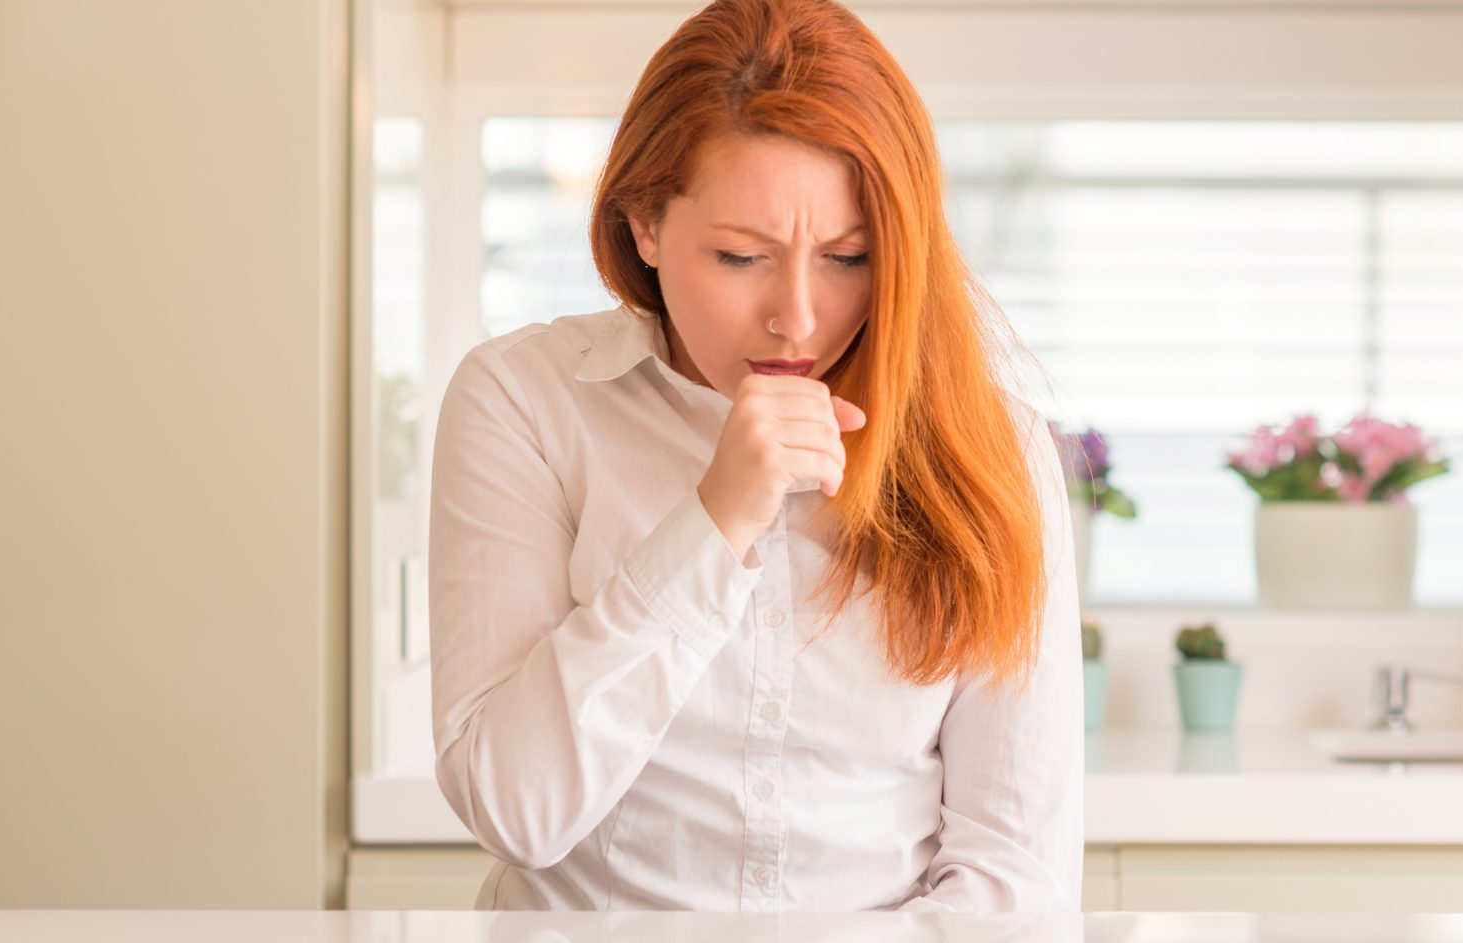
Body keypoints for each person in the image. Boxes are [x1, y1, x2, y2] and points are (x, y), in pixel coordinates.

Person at [428, 0, 1082, 912]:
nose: (800, 319)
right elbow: (516, 808)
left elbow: (1019, 881)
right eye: (741, 257)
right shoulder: (524, 400)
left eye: (849, 258)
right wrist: (713, 521)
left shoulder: (992, 447)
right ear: (645, 225)